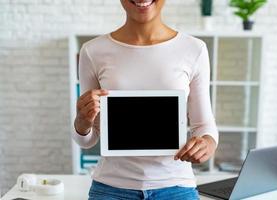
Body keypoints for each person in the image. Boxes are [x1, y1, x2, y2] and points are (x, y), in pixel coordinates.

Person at [72, 0, 219, 199]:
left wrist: (207, 144)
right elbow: (88, 140)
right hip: (111, 187)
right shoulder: (92, 51)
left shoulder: (194, 49)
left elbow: (204, 125)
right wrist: (82, 121)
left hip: (175, 186)